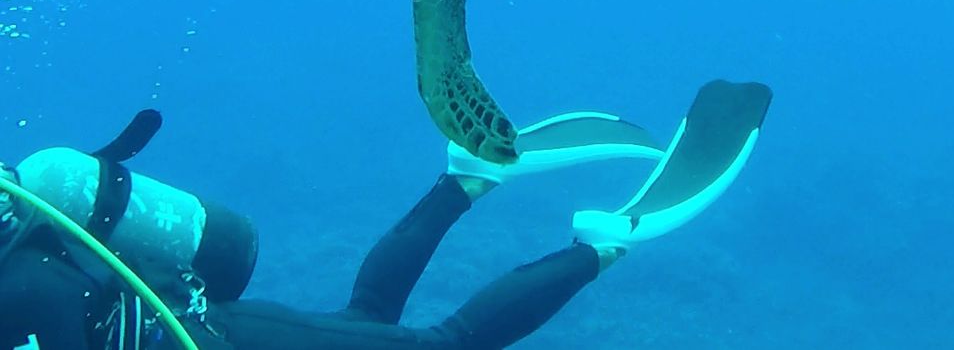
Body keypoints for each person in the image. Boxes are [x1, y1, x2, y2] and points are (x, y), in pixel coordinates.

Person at [0, 80, 770, 350]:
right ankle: (464, 179)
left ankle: (600, 246)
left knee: (446, 346)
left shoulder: (16, 290)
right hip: (205, 325)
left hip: (222, 340)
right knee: (366, 317)